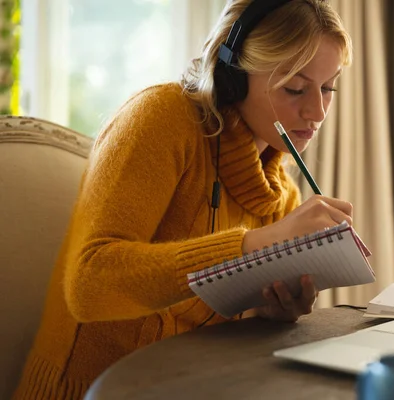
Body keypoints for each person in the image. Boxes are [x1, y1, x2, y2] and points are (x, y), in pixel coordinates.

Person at [13, 0, 353, 399]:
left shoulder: (281, 193)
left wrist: (269, 311)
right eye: (295, 87)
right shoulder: (163, 118)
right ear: (234, 78)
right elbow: (89, 285)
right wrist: (254, 246)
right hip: (92, 389)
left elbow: (209, 314)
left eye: (328, 87)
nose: (317, 111)